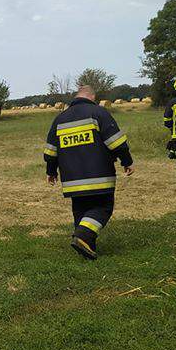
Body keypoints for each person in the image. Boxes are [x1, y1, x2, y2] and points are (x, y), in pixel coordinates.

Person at [44, 85, 134, 260]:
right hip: (99, 176)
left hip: (72, 180)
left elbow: (50, 151)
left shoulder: (60, 119)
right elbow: (116, 142)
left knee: (81, 211)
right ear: (92, 96)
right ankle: (84, 236)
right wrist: (127, 161)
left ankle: (87, 248)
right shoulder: (98, 113)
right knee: (103, 208)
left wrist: (51, 171)